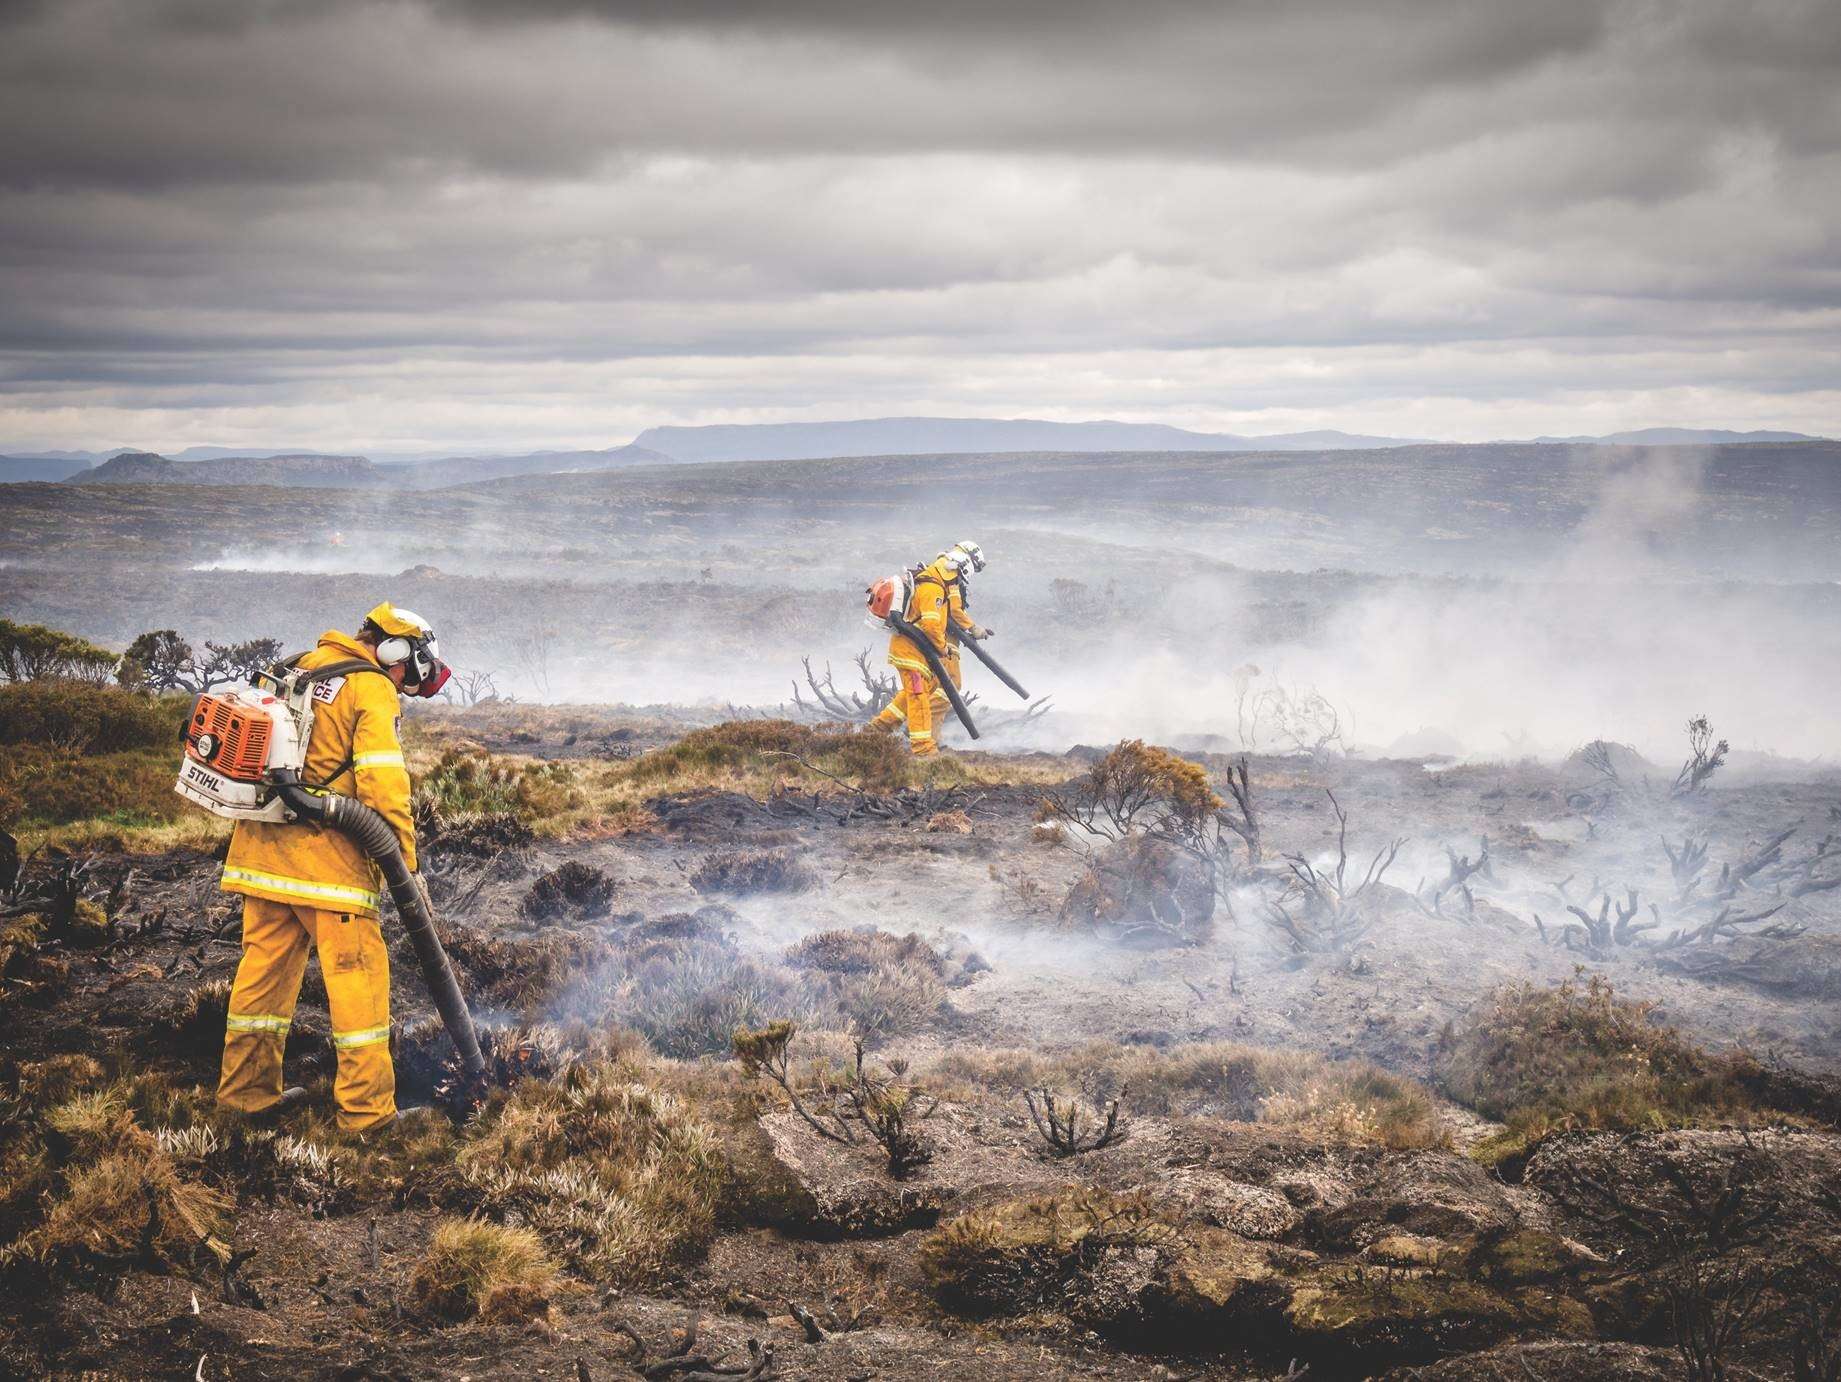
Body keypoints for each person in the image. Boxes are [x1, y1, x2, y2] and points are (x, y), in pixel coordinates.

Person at [215, 602, 446, 1132]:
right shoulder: (369, 687)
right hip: (330, 871)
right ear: (391, 649)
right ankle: (367, 1117)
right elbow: (384, 788)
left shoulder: (299, 666)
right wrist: (405, 867)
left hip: (261, 858)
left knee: (261, 985)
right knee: (357, 984)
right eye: (411, 663)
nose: (409, 676)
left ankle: (245, 1098)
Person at [870, 541, 986, 756]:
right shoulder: (933, 588)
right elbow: (932, 625)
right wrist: (943, 648)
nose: (957, 582)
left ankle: (878, 729)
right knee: (918, 697)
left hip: (917, 652)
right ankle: (924, 750)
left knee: (922, 690)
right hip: (910, 653)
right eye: (958, 577)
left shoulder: (932, 581)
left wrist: (944, 648)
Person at [930, 541, 991, 727]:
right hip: (945, 639)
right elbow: (955, 610)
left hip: (937, 637)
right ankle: (923, 724)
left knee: (936, 686)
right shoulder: (951, 573)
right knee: (951, 685)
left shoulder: (940, 566)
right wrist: (974, 628)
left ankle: (930, 736)